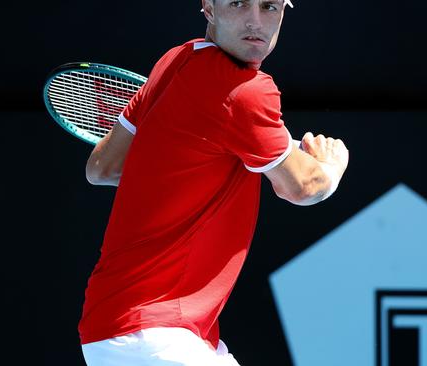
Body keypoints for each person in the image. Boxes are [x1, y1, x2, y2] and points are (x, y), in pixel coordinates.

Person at [80, 0, 349, 365]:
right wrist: (331, 165)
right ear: (209, 6)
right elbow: (303, 187)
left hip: (110, 327)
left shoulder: (174, 61)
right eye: (239, 4)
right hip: (157, 335)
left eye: (269, 7)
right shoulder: (247, 91)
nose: (255, 22)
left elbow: (103, 167)